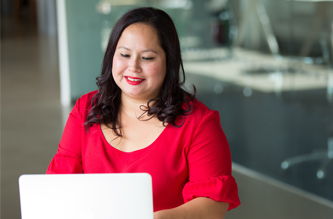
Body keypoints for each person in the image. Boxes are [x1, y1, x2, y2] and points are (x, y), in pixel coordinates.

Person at [47, 7, 240, 218]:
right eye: (124, 54)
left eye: (147, 58)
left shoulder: (199, 123)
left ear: (169, 62)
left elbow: (213, 206)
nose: (133, 67)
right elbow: (60, 184)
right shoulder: (86, 108)